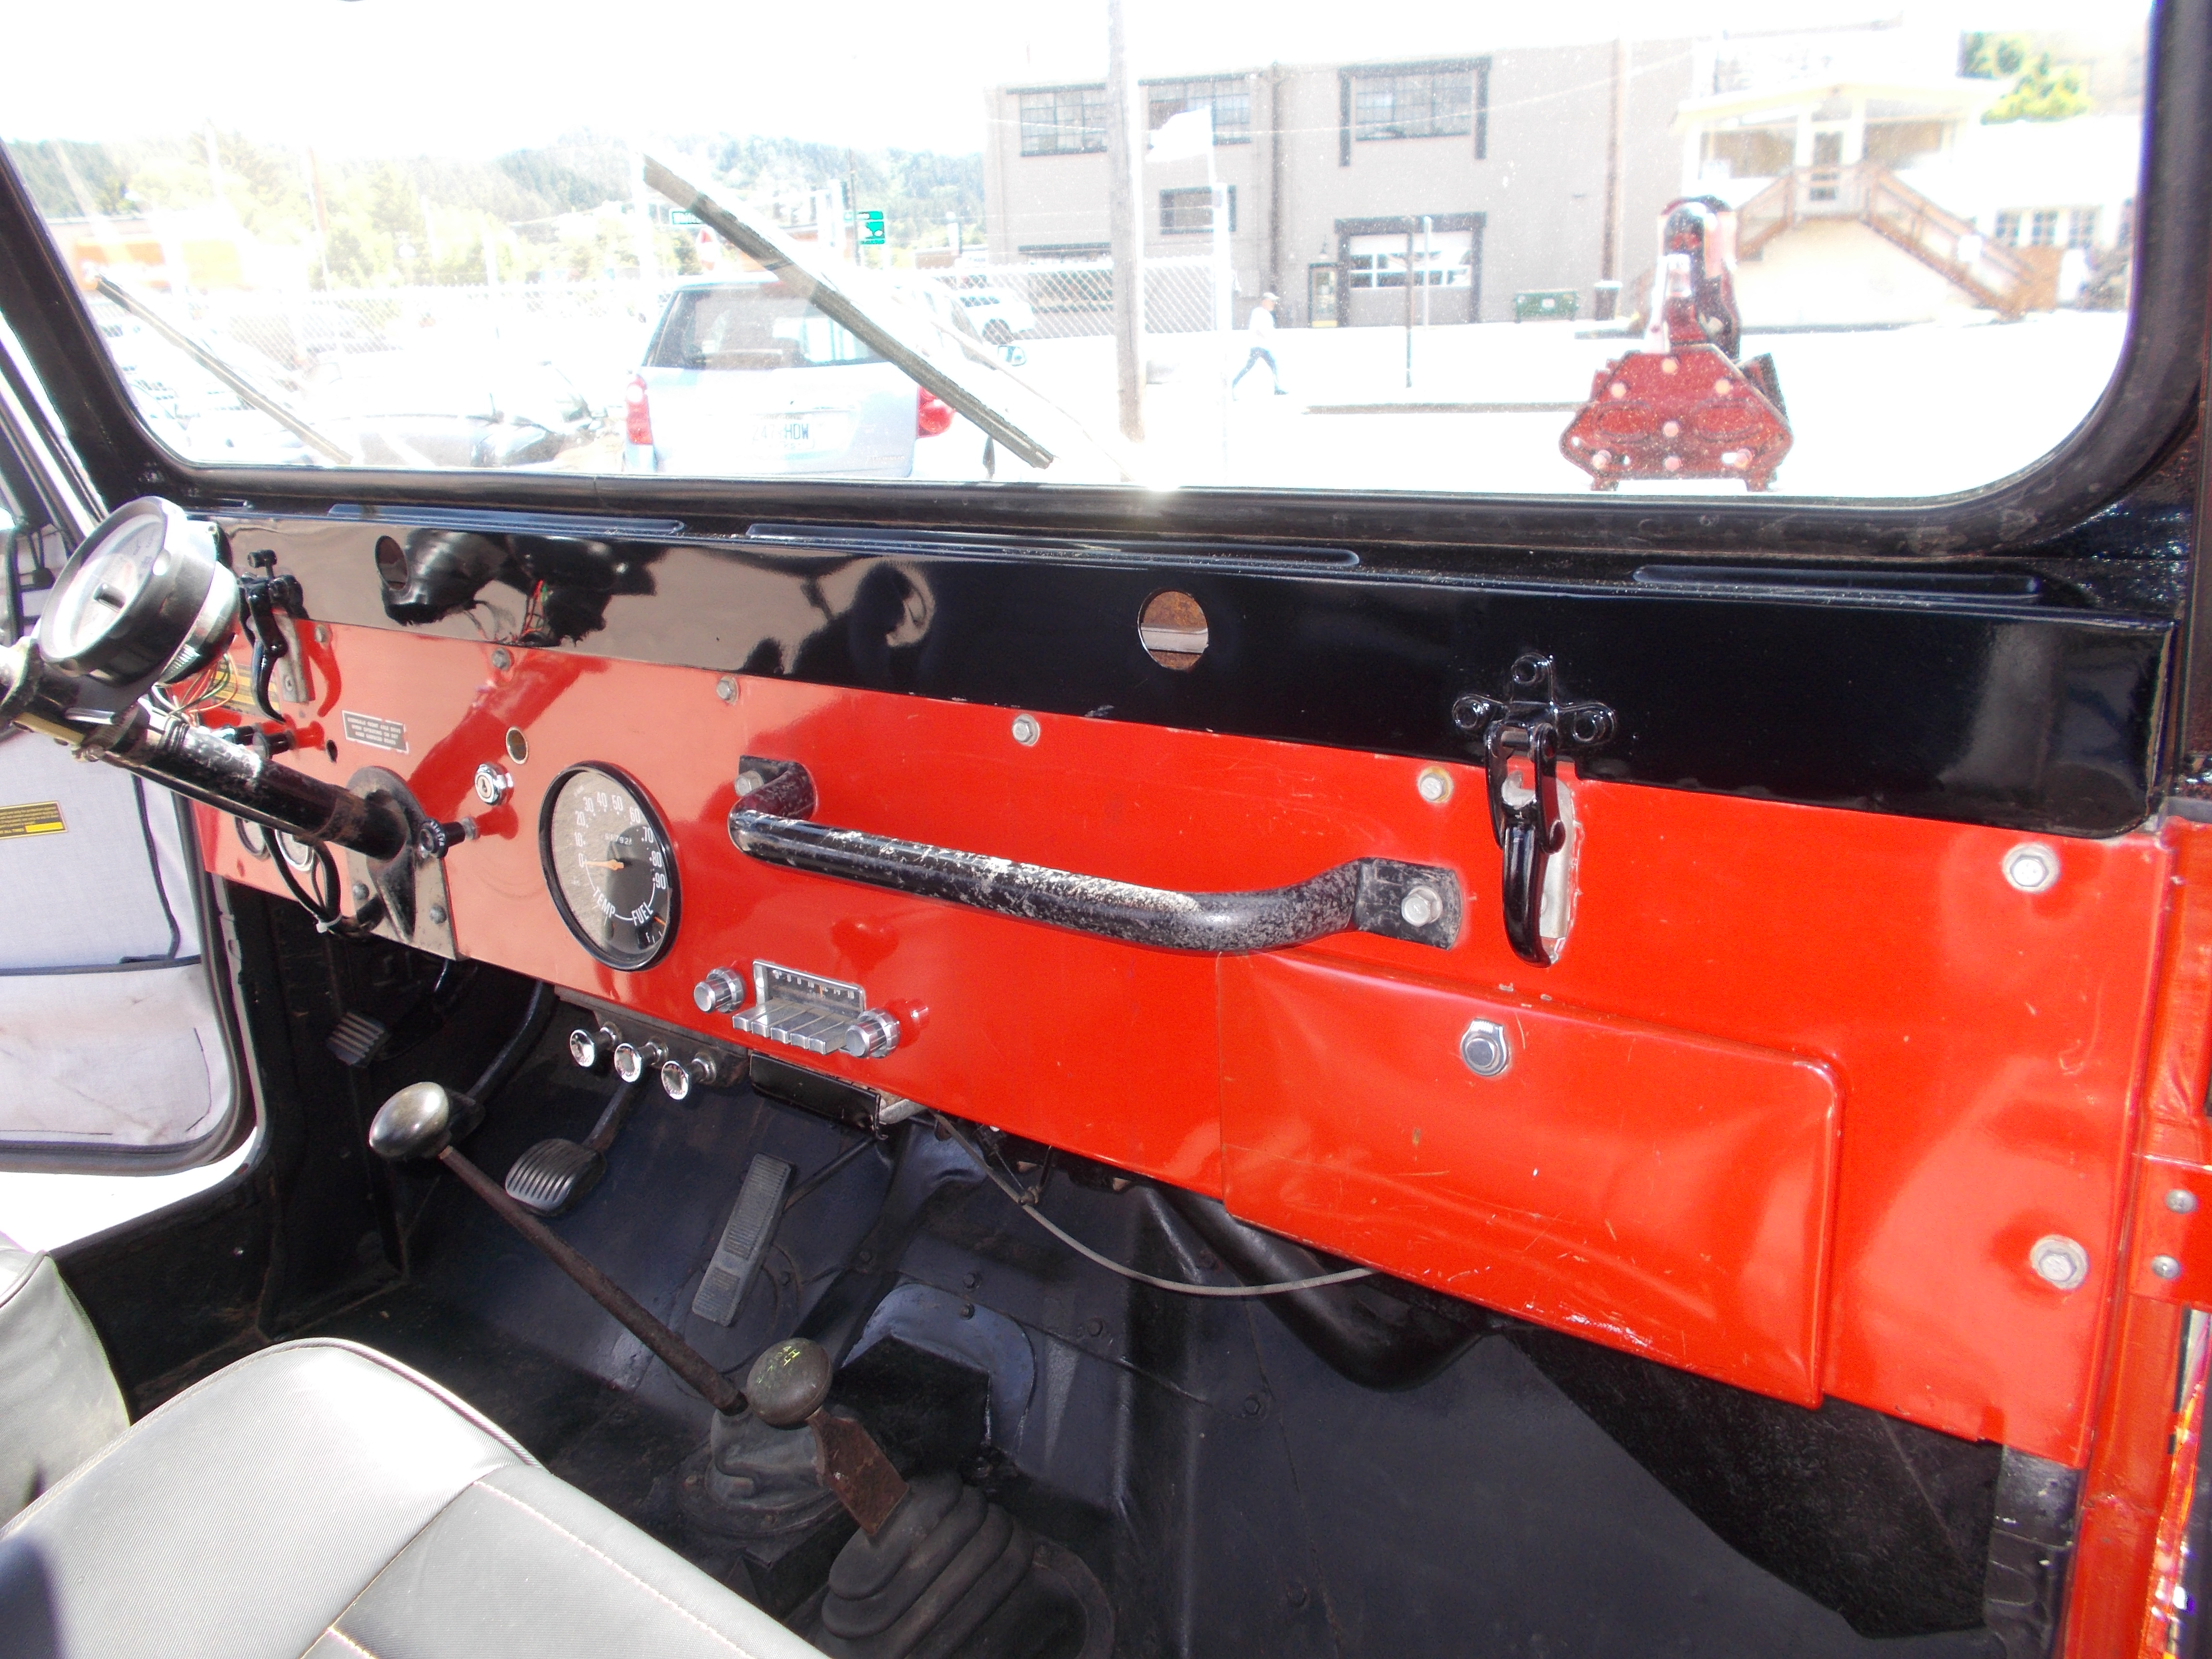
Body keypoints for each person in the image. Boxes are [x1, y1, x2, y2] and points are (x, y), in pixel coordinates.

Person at [1230, 292, 1286, 396]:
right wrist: (1267, 336)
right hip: (1258, 346)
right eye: (1272, 301)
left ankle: (1277, 387)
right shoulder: (1259, 312)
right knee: (1269, 364)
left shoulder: (1265, 314)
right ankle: (1231, 386)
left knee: (1265, 365)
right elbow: (1259, 328)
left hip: (1261, 346)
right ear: (1265, 302)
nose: (1274, 304)